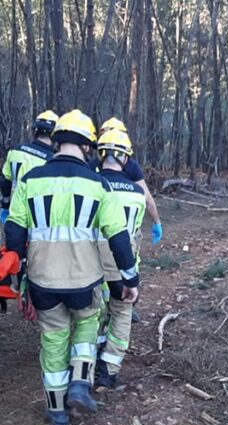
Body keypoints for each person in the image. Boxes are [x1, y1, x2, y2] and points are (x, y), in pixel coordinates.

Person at [0, 109, 140, 425]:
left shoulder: (31, 182)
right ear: (88, 146)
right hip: (84, 280)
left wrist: (19, 276)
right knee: (87, 327)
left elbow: (16, 232)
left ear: (57, 140)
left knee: (53, 339)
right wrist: (130, 278)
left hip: (42, 280)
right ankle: (80, 381)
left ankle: (57, 411)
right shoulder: (99, 184)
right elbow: (118, 238)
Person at [93, 129, 145, 389]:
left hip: (92, 264)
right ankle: (110, 370)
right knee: (122, 313)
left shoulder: (91, 184)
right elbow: (134, 232)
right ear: (125, 159)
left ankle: (86, 361)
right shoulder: (137, 192)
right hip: (124, 267)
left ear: (101, 155)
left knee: (93, 315)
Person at [94, 118, 164, 248]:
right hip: (126, 234)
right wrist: (157, 222)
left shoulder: (91, 166)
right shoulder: (131, 165)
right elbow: (147, 198)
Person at [0, 110, 58, 223]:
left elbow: (5, 181)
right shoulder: (52, 160)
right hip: (38, 218)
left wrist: (5, 205)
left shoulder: (16, 150)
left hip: (15, 213)